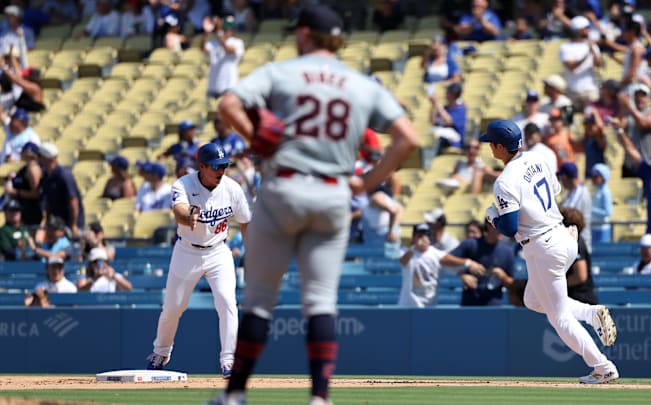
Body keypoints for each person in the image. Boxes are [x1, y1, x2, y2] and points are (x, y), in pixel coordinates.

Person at [212, 4, 419, 404]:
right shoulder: (361, 84)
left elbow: (227, 105)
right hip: (334, 193)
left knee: (258, 299)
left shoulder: (281, 72)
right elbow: (408, 138)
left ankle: (235, 396)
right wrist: (366, 183)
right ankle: (320, 398)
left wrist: (258, 136)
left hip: (283, 186)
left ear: (305, 33)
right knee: (321, 301)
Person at [480, 119, 618, 384]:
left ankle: (603, 367)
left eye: (492, 143)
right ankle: (590, 313)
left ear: (499, 146)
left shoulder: (504, 181)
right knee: (533, 300)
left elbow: (508, 228)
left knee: (559, 318)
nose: (490, 147)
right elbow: (555, 190)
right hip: (562, 235)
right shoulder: (537, 157)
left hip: (543, 246)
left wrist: (491, 217)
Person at [146, 143, 251, 379]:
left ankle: (229, 361)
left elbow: (245, 222)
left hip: (218, 251)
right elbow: (179, 211)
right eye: (216, 166)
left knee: (227, 303)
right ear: (201, 166)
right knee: (173, 307)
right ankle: (161, 352)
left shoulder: (232, 188)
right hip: (187, 251)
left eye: (224, 165)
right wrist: (188, 216)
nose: (221, 170)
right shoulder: (183, 184)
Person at [398, 223, 484, 308]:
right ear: (413, 238)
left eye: (426, 235)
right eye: (419, 236)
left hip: (429, 306)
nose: (423, 238)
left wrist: (467, 264)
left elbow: (448, 260)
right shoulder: (406, 251)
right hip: (408, 305)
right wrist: (414, 248)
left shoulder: (436, 253)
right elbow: (403, 261)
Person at [449, 219, 515, 306]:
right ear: (489, 225)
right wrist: (466, 268)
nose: (503, 229)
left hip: (494, 306)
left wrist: (503, 276)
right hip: (470, 303)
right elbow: (446, 259)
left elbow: (512, 284)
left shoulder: (508, 252)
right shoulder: (471, 244)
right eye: (500, 225)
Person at [611, 84, 651, 178]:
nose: (640, 98)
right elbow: (620, 126)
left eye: (643, 95)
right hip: (630, 164)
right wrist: (622, 106)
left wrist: (629, 107)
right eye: (637, 95)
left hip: (648, 162)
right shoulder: (628, 114)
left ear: (649, 98)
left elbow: (644, 124)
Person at [38, 142, 85, 238]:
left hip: (68, 223)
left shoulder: (64, 176)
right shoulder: (46, 176)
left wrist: (73, 225)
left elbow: (73, 201)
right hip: (56, 223)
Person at [560, 16, 601, 112]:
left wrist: (592, 50)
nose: (589, 30)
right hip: (572, 91)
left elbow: (598, 64)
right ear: (579, 30)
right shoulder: (565, 47)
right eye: (586, 28)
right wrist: (587, 53)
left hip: (590, 91)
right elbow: (571, 67)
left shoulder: (592, 45)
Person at [202, 14, 245, 98]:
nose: (228, 31)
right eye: (225, 28)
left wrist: (218, 30)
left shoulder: (237, 42)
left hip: (229, 85)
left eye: (230, 28)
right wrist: (207, 32)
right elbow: (203, 49)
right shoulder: (213, 42)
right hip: (213, 86)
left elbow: (229, 50)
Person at [4, 141, 42, 226]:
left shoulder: (33, 169)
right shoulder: (25, 167)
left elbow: (35, 194)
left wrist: (14, 192)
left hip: (30, 212)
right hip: (22, 210)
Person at [557, 162, 593, 252]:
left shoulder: (581, 193)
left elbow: (569, 215)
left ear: (565, 177)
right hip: (572, 242)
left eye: (561, 178)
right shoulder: (572, 192)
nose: (561, 181)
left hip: (579, 243)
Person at [429, 81, 467, 153]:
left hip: (454, 140)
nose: (446, 94)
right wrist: (433, 106)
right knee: (431, 132)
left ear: (453, 94)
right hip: (442, 138)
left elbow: (449, 122)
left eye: (448, 92)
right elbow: (433, 121)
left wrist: (437, 104)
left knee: (436, 133)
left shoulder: (461, 108)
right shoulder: (445, 108)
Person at [589, 163, 612, 244]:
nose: (593, 179)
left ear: (603, 177)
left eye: (596, 177)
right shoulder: (597, 190)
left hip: (602, 229)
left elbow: (608, 212)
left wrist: (591, 210)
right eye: (592, 176)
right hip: (594, 227)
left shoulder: (605, 192)